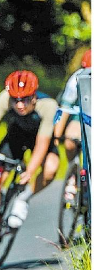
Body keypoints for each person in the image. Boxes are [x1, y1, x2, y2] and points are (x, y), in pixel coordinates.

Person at [0, 70, 59, 253]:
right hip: (16, 137)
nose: (19, 105)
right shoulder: (4, 98)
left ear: (34, 97)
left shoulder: (48, 106)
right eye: (15, 100)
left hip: (41, 138)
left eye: (25, 99)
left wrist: (30, 171)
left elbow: (42, 144)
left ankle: (23, 198)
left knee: (51, 168)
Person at [53, 49, 91, 204]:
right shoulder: (75, 80)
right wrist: (56, 137)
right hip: (79, 114)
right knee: (71, 139)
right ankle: (74, 171)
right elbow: (65, 109)